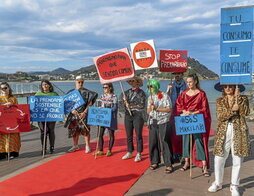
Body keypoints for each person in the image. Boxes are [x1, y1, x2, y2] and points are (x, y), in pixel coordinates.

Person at [208, 83, 250, 196]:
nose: (227, 88)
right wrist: (232, 110)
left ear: (236, 88)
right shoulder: (219, 100)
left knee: (237, 159)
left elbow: (246, 112)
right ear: (222, 88)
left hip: (239, 130)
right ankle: (218, 182)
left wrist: (239, 99)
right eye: (225, 86)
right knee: (219, 158)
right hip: (224, 131)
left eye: (230, 86)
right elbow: (220, 116)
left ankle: (234, 185)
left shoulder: (243, 98)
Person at [175, 73, 211, 176]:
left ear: (195, 81)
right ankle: (186, 162)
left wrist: (193, 112)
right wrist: (184, 111)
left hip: (196, 120)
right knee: (185, 140)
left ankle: (204, 165)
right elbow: (178, 105)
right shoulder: (184, 93)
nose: (188, 84)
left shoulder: (201, 93)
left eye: (190, 81)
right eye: (187, 82)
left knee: (199, 141)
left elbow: (204, 109)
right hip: (186, 120)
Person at [64, 76, 98, 153]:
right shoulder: (70, 92)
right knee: (74, 131)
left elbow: (90, 104)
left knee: (86, 130)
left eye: (82, 82)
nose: (80, 83)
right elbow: (66, 104)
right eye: (79, 82)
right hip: (73, 115)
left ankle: (87, 146)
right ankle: (75, 146)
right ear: (75, 82)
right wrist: (72, 110)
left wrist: (85, 112)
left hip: (84, 114)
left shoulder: (88, 92)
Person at [147, 79, 174, 173]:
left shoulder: (165, 95)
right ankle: (155, 161)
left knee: (164, 141)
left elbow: (169, 109)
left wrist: (157, 108)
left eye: (151, 86)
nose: (149, 88)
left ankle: (168, 163)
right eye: (148, 87)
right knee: (153, 142)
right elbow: (148, 112)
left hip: (163, 121)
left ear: (156, 86)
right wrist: (150, 107)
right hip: (152, 121)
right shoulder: (150, 97)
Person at [120, 76, 146, 162]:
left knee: (138, 135)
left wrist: (131, 106)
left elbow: (142, 105)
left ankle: (139, 153)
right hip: (128, 115)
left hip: (138, 115)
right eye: (130, 81)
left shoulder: (142, 93)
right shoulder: (126, 92)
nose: (131, 82)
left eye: (132, 81)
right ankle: (130, 151)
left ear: (137, 82)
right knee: (129, 135)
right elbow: (122, 103)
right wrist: (124, 101)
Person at [166, 72, 187, 162]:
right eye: (175, 74)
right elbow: (165, 98)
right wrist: (168, 90)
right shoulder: (171, 85)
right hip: (173, 111)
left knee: (182, 133)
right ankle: (175, 153)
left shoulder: (186, 85)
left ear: (182, 75)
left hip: (182, 110)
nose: (177, 75)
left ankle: (184, 154)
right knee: (173, 134)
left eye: (179, 73)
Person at [94, 83, 118, 157]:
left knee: (111, 134)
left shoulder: (114, 97)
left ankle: (109, 150)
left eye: (106, 87)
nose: (104, 89)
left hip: (110, 117)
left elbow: (115, 107)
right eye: (103, 87)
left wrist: (108, 110)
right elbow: (101, 105)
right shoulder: (102, 96)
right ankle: (100, 150)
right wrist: (100, 109)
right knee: (100, 134)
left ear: (110, 88)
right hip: (103, 117)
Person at [35, 80, 58, 154]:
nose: (45, 86)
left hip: (52, 116)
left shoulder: (54, 94)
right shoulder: (37, 94)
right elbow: (34, 105)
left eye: (46, 84)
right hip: (41, 117)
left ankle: (52, 147)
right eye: (43, 85)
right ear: (41, 86)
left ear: (49, 85)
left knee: (51, 131)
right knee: (43, 132)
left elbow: (59, 104)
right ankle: (43, 148)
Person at [0, 82, 21, 159]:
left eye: (5, 88)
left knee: (13, 136)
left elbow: (18, 109)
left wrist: (12, 105)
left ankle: (13, 152)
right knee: (2, 137)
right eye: (2, 88)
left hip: (12, 120)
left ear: (9, 88)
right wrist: (4, 105)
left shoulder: (13, 98)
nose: (4, 90)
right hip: (2, 121)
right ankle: (2, 153)